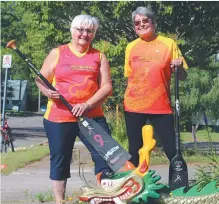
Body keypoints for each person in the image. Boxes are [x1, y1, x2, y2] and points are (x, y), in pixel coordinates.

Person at [35, 14, 113, 204]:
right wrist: (47, 91)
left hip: (92, 116)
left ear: (94, 34)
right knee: (60, 159)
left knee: (106, 156)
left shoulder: (99, 56)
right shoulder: (58, 53)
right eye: (81, 30)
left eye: (89, 31)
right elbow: (40, 79)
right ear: (72, 30)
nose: (84, 34)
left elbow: (107, 87)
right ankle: (59, 201)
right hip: (59, 117)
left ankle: (106, 196)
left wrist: (87, 104)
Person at [124, 7, 188, 168]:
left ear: (154, 23)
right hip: (133, 105)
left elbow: (182, 76)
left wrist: (179, 67)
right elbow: (130, 77)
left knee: (171, 148)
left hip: (160, 105)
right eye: (137, 23)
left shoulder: (168, 44)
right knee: (134, 149)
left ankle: (179, 182)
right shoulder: (130, 47)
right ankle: (135, 185)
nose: (141, 25)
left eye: (145, 21)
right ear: (134, 27)